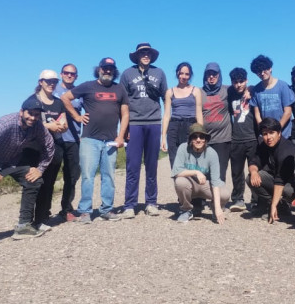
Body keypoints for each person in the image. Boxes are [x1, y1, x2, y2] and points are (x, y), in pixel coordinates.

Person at [0, 96, 55, 249]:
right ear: (22, 111)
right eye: (30, 113)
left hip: (12, 162)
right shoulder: (5, 123)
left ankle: (24, 226)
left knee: (34, 179)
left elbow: (49, 147)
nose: (33, 118)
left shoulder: (38, 126)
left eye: (36, 115)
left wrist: (40, 169)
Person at [60, 57, 129, 224]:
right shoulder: (88, 86)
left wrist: (121, 136)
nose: (107, 71)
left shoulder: (119, 89)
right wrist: (76, 116)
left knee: (109, 176)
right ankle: (85, 211)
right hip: (90, 140)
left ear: (114, 71)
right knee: (88, 176)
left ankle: (107, 209)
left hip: (111, 140)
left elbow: (125, 114)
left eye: (110, 69)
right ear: (99, 69)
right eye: (104, 68)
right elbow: (65, 98)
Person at [120, 43, 168, 218]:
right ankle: (130, 204)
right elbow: (122, 103)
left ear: (151, 55)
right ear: (137, 55)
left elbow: (166, 97)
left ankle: (151, 202)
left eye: (148, 52)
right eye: (142, 53)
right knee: (132, 166)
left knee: (151, 165)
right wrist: (123, 128)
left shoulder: (159, 73)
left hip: (154, 122)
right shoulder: (127, 74)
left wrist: (165, 126)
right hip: (134, 123)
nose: (145, 55)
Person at [29, 70, 68, 232]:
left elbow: (63, 122)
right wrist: (48, 126)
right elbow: (28, 122)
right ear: (40, 82)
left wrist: (62, 126)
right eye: (48, 81)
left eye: (54, 81)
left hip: (55, 147)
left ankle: (43, 216)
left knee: (49, 183)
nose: (52, 84)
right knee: (36, 183)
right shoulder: (32, 101)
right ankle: (29, 219)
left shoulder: (58, 103)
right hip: (35, 149)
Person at [171, 123, 229, 224]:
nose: (198, 140)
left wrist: (218, 208)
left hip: (205, 185)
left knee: (225, 193)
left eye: (201, 136)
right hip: (189, 184)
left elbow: (215, 182)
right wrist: (196, 172)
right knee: (179, 182)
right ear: (190, 139)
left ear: (206, 139)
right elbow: (176, 172)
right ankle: (186, 210)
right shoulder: (183, 148)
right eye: (195, 136)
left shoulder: (212, 153)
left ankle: (214, 209)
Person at [247, 118, 295, 222]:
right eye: (265, 134)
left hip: (292, 184)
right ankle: (280, 206)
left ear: (279, 133)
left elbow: (280, 180)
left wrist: (273, 206)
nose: (268, 137)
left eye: (271, 133)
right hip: (276, 180)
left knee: (287, 190)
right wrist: (254, 172)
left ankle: (279, 205)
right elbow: (254, 162)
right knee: (250, 178)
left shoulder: (286, 150)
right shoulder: (264, 145)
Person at [54, 63, 82, 222]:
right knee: (49, 176)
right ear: (61, 74)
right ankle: (42, 212)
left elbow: (90, 110)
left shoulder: (79, 93)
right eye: (66, 73)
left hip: (73, 139)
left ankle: (66, 208)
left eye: (72, 74)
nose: (69, 75)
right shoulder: (52, 89)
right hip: (54, 139)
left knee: (72, 176)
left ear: (76, 76)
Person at [160, 62, 203, 168]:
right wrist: (163, 137)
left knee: (191, 159)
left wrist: (201, 134)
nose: (184, 76)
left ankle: (190, 183)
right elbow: (166, 115)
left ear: (190, 75)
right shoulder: (170, 92)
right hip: (174, 126)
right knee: (174, 161)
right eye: (181, 73)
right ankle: (178, 183)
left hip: (191, 126)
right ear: (177, 73)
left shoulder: (196, 91)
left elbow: (199, 113)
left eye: (187, 74)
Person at [227, 67, 256, 212]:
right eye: (235, 82)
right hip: (236, 138)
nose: (238, 85)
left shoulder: (254, 91)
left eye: (241, 81)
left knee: (255, 170)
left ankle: (257, 200)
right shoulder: (230, 93)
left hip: (252, 138)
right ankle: (238, 199)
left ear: (246, 80)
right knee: (236, 171)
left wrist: (250, 89)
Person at [201, 62, 232, 188]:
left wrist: (249, 90)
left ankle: (220, 199)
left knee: (220, 170)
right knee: (204, 169)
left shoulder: (227, 90)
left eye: (214, 74)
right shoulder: (199, 92)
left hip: (223, 138)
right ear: (205, 76)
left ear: (219, 75)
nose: (212, 77)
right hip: (204, 138)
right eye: (209, 74)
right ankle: (202, 197)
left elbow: (242, 87)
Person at [249, 55, 295, 138]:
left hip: (283, 134)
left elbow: (288, 112)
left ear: (270, 68)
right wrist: (264, 132)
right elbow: (257, 114)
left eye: (264, 70)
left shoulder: (283, 86)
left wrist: (277, 130)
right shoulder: (256, 90)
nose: (262, 73)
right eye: (259, 72)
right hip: (266, 136)